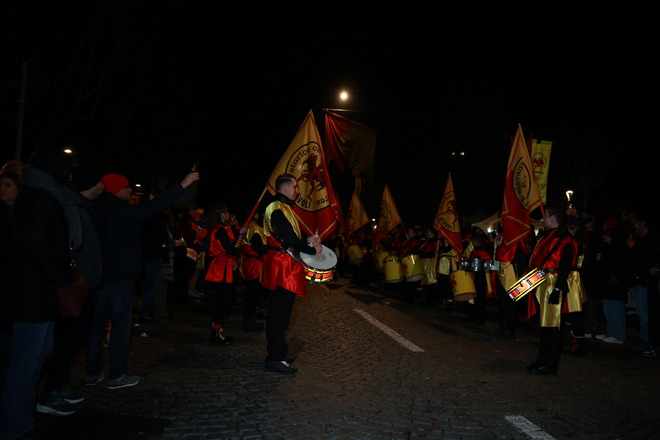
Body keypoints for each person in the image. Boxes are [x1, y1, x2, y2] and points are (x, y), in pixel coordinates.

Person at [85, 170, 199, 390]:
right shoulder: (120, 211)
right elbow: (154, 207)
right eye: (126, 187)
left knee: (96, 327)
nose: (130, 190)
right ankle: (116, 374)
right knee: (120, 327)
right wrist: (182, 185)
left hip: (99, 277)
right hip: (120, 278)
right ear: (116, 190)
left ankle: (92, 371)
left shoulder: (94, 208)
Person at [0, 149, 77, 438]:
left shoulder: (33, 196)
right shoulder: (42, 199)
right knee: (25, 362)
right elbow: (38, 247)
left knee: (33, 358)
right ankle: (14, 424)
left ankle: (22, 417)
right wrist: (62, 277)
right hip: (33, 293)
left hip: (32, 291)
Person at [36, 165, 105, 415]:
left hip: (84, 285)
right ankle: (49, 392)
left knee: (72, 342)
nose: (103, 186)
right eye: (100, 182)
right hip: (76, 287)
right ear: (91, 185)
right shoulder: (71, 208)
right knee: (66, 342)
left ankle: (57, 385)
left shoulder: (81, 207)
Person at [261, 173, 322, 374]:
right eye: (295, 187)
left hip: (285, 266)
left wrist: (308, 241)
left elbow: (291, 239)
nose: (298, 191)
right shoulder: (277, 209)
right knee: (279, 315)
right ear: (285, 187)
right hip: (282, 268)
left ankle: (278, 353)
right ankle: (275, 358)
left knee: (282, 315)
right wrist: (312, 249)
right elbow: (289, 240)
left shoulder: (284, 208)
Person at [526, 207, 577, 376]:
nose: (543, 219)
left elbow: (565, 267)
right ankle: (541, 359)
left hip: (552, 285)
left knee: (553, 327)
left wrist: (557, 289)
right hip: (542, 284)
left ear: (554, 218)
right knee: (544, 326)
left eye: (545, 216)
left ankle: (550, 365)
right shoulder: (547, 236)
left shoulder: (564, 239)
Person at [204, 203, 247, 345]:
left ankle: (217, 329)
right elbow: (231, 249)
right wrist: (240, 235)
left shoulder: (222, 229)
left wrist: (233, 259)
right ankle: (216, 332)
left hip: (224, 268)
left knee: (225, 300)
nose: (228, 215)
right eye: (226, 212)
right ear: (221, 214)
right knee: (224, 301)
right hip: (221, 270)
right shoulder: (220, 230)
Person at [625, 214, 658, 350]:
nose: (636, 227)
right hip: (639, 280)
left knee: (645, 313)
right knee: (641, 312)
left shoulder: (650, 243)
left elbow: (645, 262)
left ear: (645, 228)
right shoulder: (640, 241)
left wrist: (644, 275)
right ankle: (645, 338)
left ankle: (648, 340)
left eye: (639, 225)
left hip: (645, 282)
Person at [593, 227, 628, 344]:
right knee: (608, 310)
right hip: (607, 284)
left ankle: (619, 335)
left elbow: (617, 266)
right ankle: (611, 332)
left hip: (615, 285)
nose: (604, 237)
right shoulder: (607, 248)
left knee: (616, 310)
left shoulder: (619, 249)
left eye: (606, 235)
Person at [239, 209, 267, 331]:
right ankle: (248, 319)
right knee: (253, 292)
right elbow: (258, 246)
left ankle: (253, 312)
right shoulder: (254, 227)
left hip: (251, 262)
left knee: (254, 291)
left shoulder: (250, 225)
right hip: (254, 264)